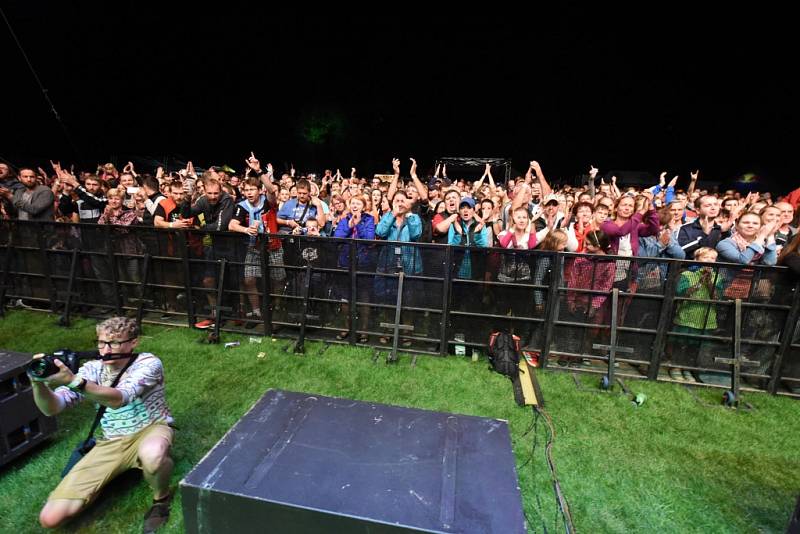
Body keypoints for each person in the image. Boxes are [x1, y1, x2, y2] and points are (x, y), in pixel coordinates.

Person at [30, 317, 175, 532]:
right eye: (101, 343)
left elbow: (119, 398)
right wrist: (38, 383)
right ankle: (106, 481)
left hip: (152, 428)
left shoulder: (148, 363)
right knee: (50, 519)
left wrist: (74, 381)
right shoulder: (92, 369)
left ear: (133, 342)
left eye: (114, 343)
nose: (106, 350)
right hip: (112, 441)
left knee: (153, 455)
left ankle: (160, 500)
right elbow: (52, 408)